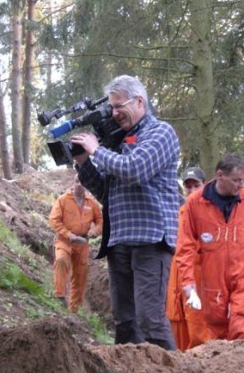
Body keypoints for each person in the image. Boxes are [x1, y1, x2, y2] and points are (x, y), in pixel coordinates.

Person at [70, 75, 180, 350]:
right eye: (112, 108)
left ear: (139, 101)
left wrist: (96, 150)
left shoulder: (160, 132)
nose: (115, 113)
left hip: (151, 239)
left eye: (119, 106)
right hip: (119, 239)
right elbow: (105, 192)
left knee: (149, 319)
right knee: (125, 321)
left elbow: (135, 170)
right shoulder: (115, 143)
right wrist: (84, 162)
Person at [176, 154, 244, 341]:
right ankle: (222, 366)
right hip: (213, 274)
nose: (240, 185)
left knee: (240, 325)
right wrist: (188, 284)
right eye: (236, 180)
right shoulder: (195, 203)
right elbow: (185, 246)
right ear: (220, 175)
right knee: (214, 325)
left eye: (243, 180)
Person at [166, 167, 210, 351]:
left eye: (196, 186)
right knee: (176, 319)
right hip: (177, 275)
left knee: (198, 324)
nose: (192, 191)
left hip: (199, 277)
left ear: (204, 186)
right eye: (188, 187)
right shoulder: (179, 212)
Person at [49, 175, 103, 312]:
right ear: (73, 183)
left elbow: (100, 221)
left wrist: (95, 231)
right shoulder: (63, 200)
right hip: (64, 240)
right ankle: (59, 296)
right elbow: (54, 220)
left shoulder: (91, 203)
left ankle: (74, 309)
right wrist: (69, 234)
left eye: (82, 182)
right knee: (61, 260)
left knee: (80, 275)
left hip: (83, 243)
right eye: (77, 181)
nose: (79, 184)